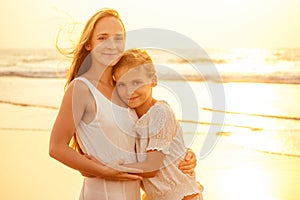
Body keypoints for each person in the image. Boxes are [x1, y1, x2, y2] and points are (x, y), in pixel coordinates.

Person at [49, 8, 198, 200]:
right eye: (102, 38)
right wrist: (101, 170)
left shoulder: (124, 90)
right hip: (101, 193)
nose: (111, 45)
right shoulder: (81, 88)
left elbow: (149, 138)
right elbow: (56, 147)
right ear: (89, 44)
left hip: (133, 194)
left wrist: (184, 155)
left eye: (118, 38)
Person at [111, 48, 203, 200]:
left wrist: (107, 169)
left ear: (153, 80)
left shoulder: (160, 112)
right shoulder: (131, 115)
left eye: (136, 82)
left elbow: (152, 167)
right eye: (122, 84)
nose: (129, 91)